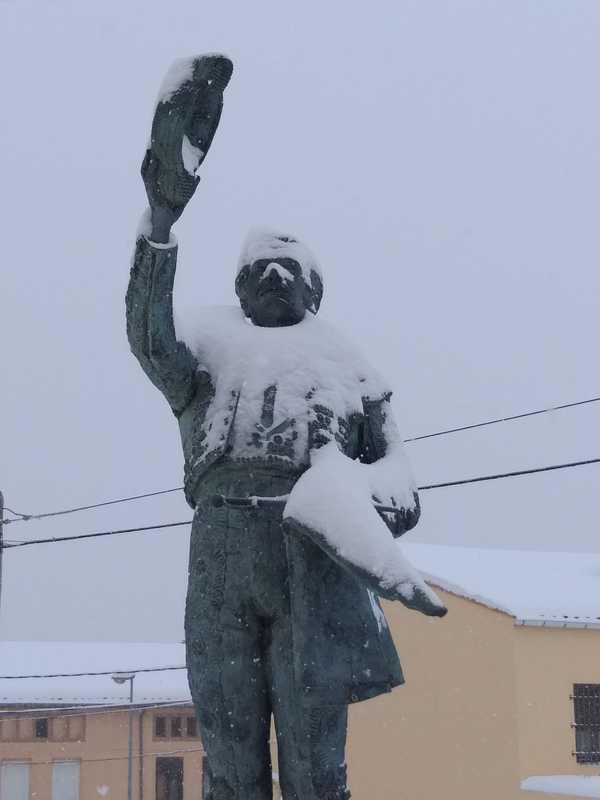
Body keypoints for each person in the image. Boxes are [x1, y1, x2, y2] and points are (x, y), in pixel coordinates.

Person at [126, 54, 444, 800]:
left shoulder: (349, 368)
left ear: (314, 287)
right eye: (260, 268)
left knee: (313, 756)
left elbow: (401, 488)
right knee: (229, 748)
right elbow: (147, 335)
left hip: (310, 564)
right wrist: (162, 221)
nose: (273, 276)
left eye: (288, 268)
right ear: (239, 286)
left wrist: (347, 500)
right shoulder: (205, 348)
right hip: (222, 552)